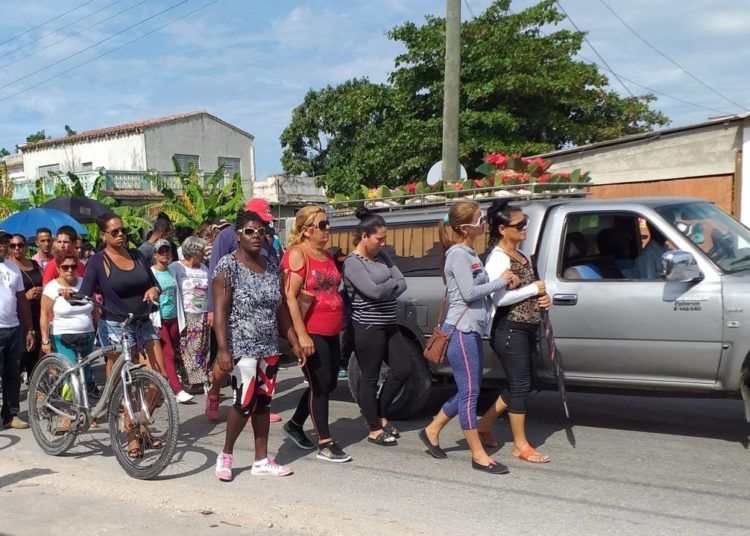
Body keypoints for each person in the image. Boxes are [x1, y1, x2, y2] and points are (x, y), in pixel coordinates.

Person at [418, 201, 518, 474]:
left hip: (471, 330)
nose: (484, 223)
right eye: (480, 219)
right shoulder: (458, 255)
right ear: (465, 228)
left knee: (467, 390)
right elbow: (469, 292)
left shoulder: (471, 253)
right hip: (460, 332)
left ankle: (432, 429)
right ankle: (478, 455)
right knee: (471, 394)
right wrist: (501, 281)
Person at [212, 209, 305, 481]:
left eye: (260, 231)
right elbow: (220, 312)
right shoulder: (228, 266)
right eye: (249, 231)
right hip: (241, 346)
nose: (256, 236)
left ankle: (261, 459)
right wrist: (223, 349)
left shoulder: (270, 267)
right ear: (238, 235)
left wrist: (294, 340)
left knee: (263, 403)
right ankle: (226, 455)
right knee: (244, 402)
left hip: (268, 346)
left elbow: (280, 309)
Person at [80, 213, 166, 457]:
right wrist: (70, 295)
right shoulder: (98, 262)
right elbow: (85, 291)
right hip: (116, 326)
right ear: (103, 235)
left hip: (143, 321)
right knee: (123, 386)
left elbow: (154, 284)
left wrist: (152, 290)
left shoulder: (137, 255)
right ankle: (132, 436)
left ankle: (138, 424)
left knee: (159, 380)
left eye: (122, 230)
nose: (121, 235)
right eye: (114, 232)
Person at [477, 200, 551, 464]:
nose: (524, 228)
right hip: (509, 329)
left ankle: (485, 424)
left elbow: (531, 290)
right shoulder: (498, 258)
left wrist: (543, 298)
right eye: (519, 225)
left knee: (524, 382)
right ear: (502, 228)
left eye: (525, 223)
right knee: (520, 385)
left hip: (526, 327)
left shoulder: (521, 254)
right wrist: (534, 290)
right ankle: (520, 445)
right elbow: (499, 299)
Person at [280, 206, 351, 462]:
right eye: (322, 225)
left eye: (327, 223)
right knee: (320, 386)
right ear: (306, 230)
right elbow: (289, 297)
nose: (327, 229)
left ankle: (295, 424)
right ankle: (325, 442)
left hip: (332, 331)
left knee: (329, 383)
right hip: (312, 331)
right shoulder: (298, 255)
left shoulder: (326, 255)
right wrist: (302, 336)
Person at [205, 198, 281, 423]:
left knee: (256, 365)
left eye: (265, 225)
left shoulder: (265, 237)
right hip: (231, 308)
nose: (261, 230)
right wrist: (212, 309)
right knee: (225, 358)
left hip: (259, 309)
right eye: (258, 224)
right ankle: (215, 392)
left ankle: (252, 404)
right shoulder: (228, 235)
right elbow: (216, 272)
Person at [343, 207, 410, 446]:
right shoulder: (353, 262)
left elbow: (402, 282)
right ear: (364, 237)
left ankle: (380, 414)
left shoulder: (382, 257)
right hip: (368, 326)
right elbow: (372, 292)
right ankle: (373, 426)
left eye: (385, 238)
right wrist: (388, 287)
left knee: (403, 368)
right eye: (378, 239)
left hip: (389, 323)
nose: (383, 243)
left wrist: (386, 288)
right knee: (370, 378)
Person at [39, 251, 98, 398]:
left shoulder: (84, 283)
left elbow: (95, 309)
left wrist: (97, 330)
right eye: (65, 267)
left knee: (85, 374)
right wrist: (45, 340)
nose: (70, 270)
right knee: (70, 374)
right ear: (58, 268)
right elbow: (44, 315)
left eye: (73, 266)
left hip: (87, 335)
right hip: (63, 336)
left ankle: (83, 409)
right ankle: (68, 410)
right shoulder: (52, 288)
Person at [150, 239, 194, 404]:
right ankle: (177, 390)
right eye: (161, 251)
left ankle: (166, 385)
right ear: (155, 254)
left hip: (174, 317)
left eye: (167, 251)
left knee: (171, 354)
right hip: (159, 320)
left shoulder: (173, 270)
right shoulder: (151, 273)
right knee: (168, 353)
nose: (165, 254)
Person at [0, 231, 34, 430]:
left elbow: (21, 300)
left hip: (13, 328)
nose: (3, 246)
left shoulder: (13, 268)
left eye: (5, 242)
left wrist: (30, 329)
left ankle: (10, 415)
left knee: (13, 373)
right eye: (1, 242)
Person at [170, 236, 211, 394]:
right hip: (186, 313)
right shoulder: (176, 267)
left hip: (203, 313)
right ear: (193, 253)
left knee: (202, 348)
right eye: (201, 251)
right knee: (188, 348)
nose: (203, 255)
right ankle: (192, 380)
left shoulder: (204, 268)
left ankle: (200, 379)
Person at [7, 234, 43, 381]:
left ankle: (35, 384)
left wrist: (42, 290)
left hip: (38, 312)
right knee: (21, 352)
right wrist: (24, 297)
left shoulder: (34, 264)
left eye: (20, 245)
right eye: (13, 246)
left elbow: (44, 282)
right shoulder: (8, 267)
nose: (17, 249)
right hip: (18, 315)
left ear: (26, 247)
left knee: (36, 350)